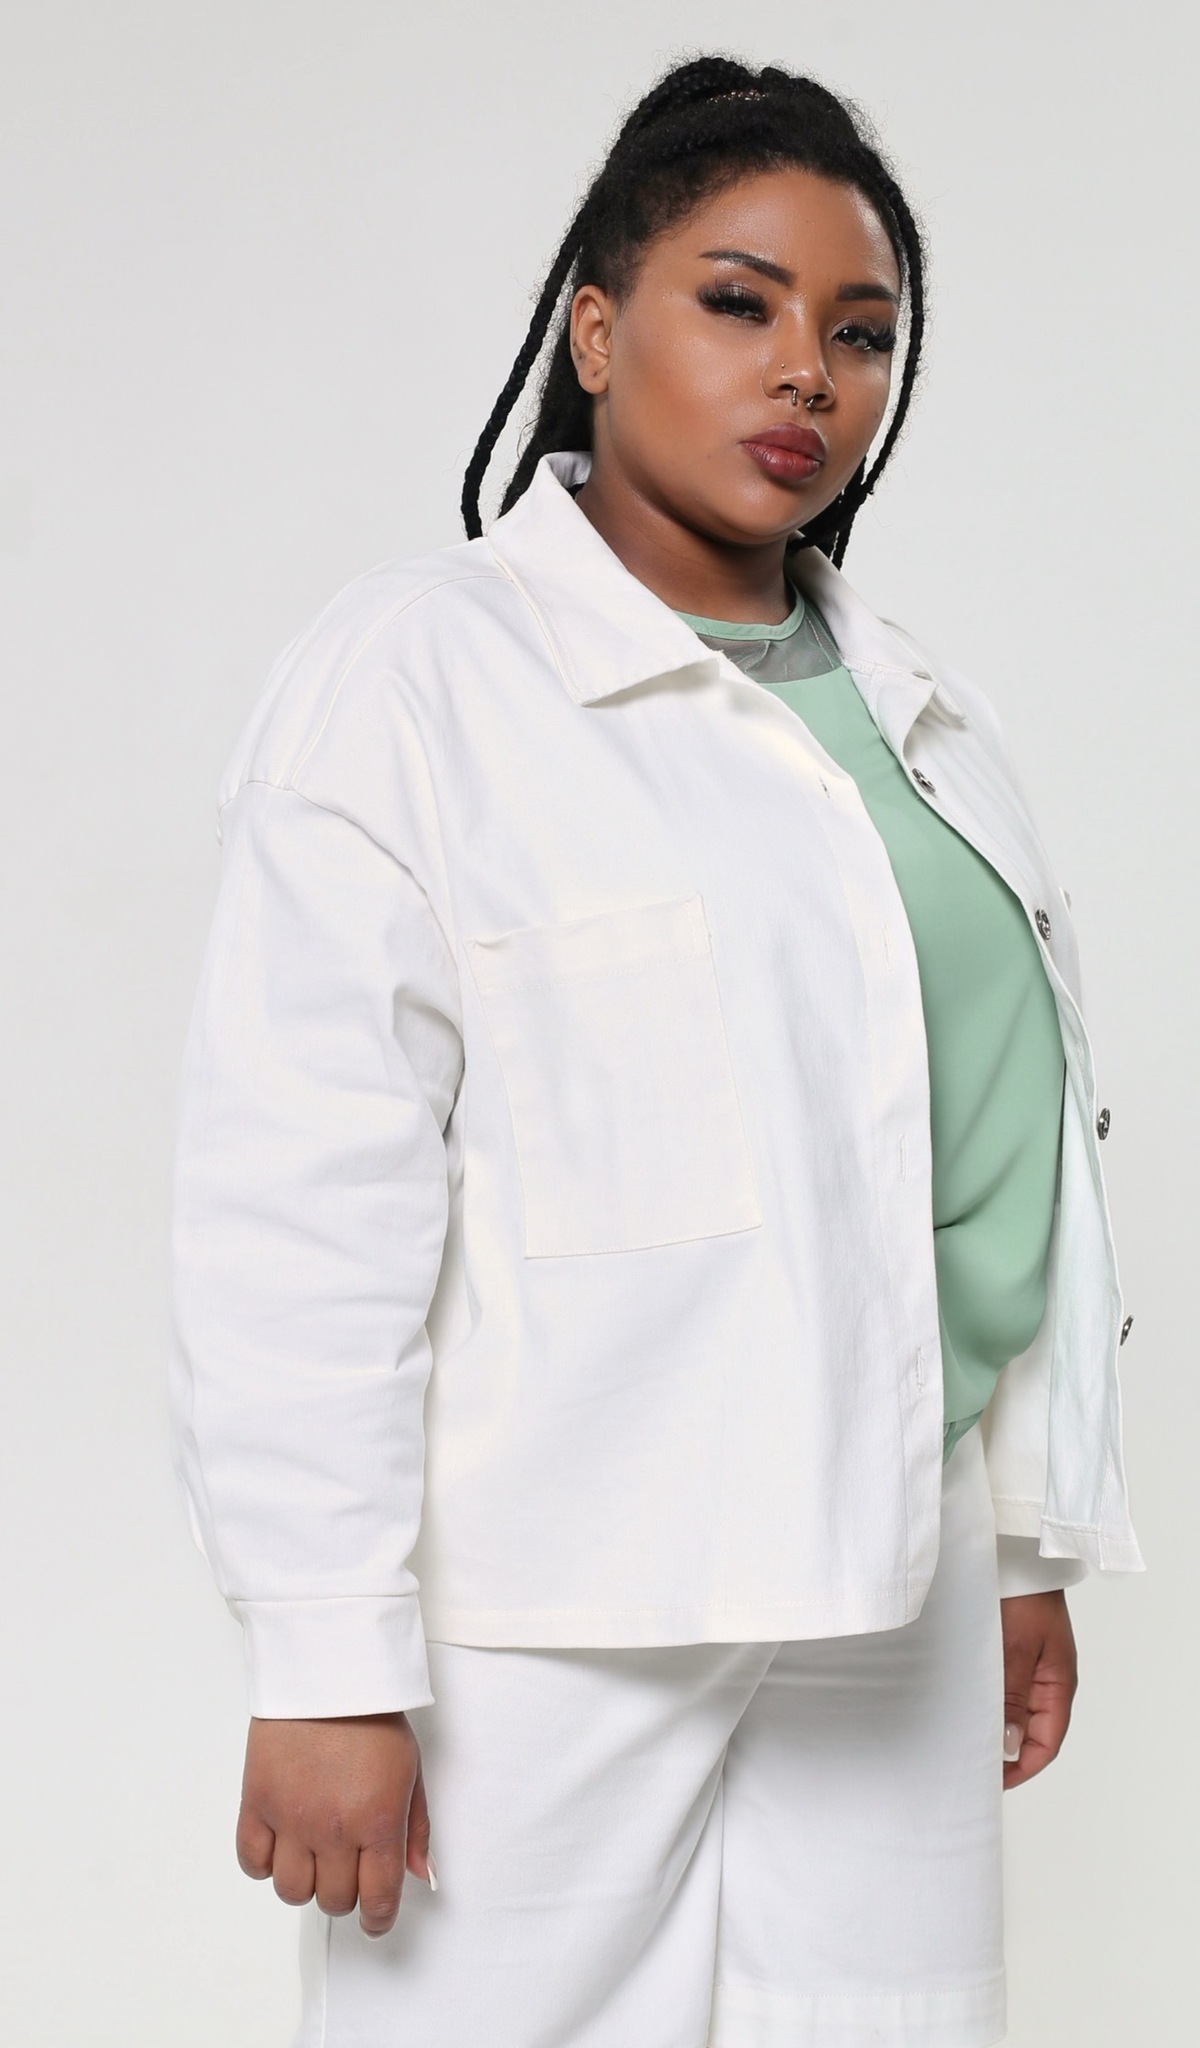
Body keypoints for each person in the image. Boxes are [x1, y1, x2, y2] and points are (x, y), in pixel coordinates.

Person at [169, 54, 1142, 2048]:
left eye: (859, 334)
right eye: (740, 301)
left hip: (891, 1569)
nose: (808, 374)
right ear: (597, 333)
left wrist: (1023, 1538)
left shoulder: (925, 721)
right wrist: (325, 1654)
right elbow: (299, 1199)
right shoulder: (415, 683)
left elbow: (989, 1156)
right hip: (558, 1597)